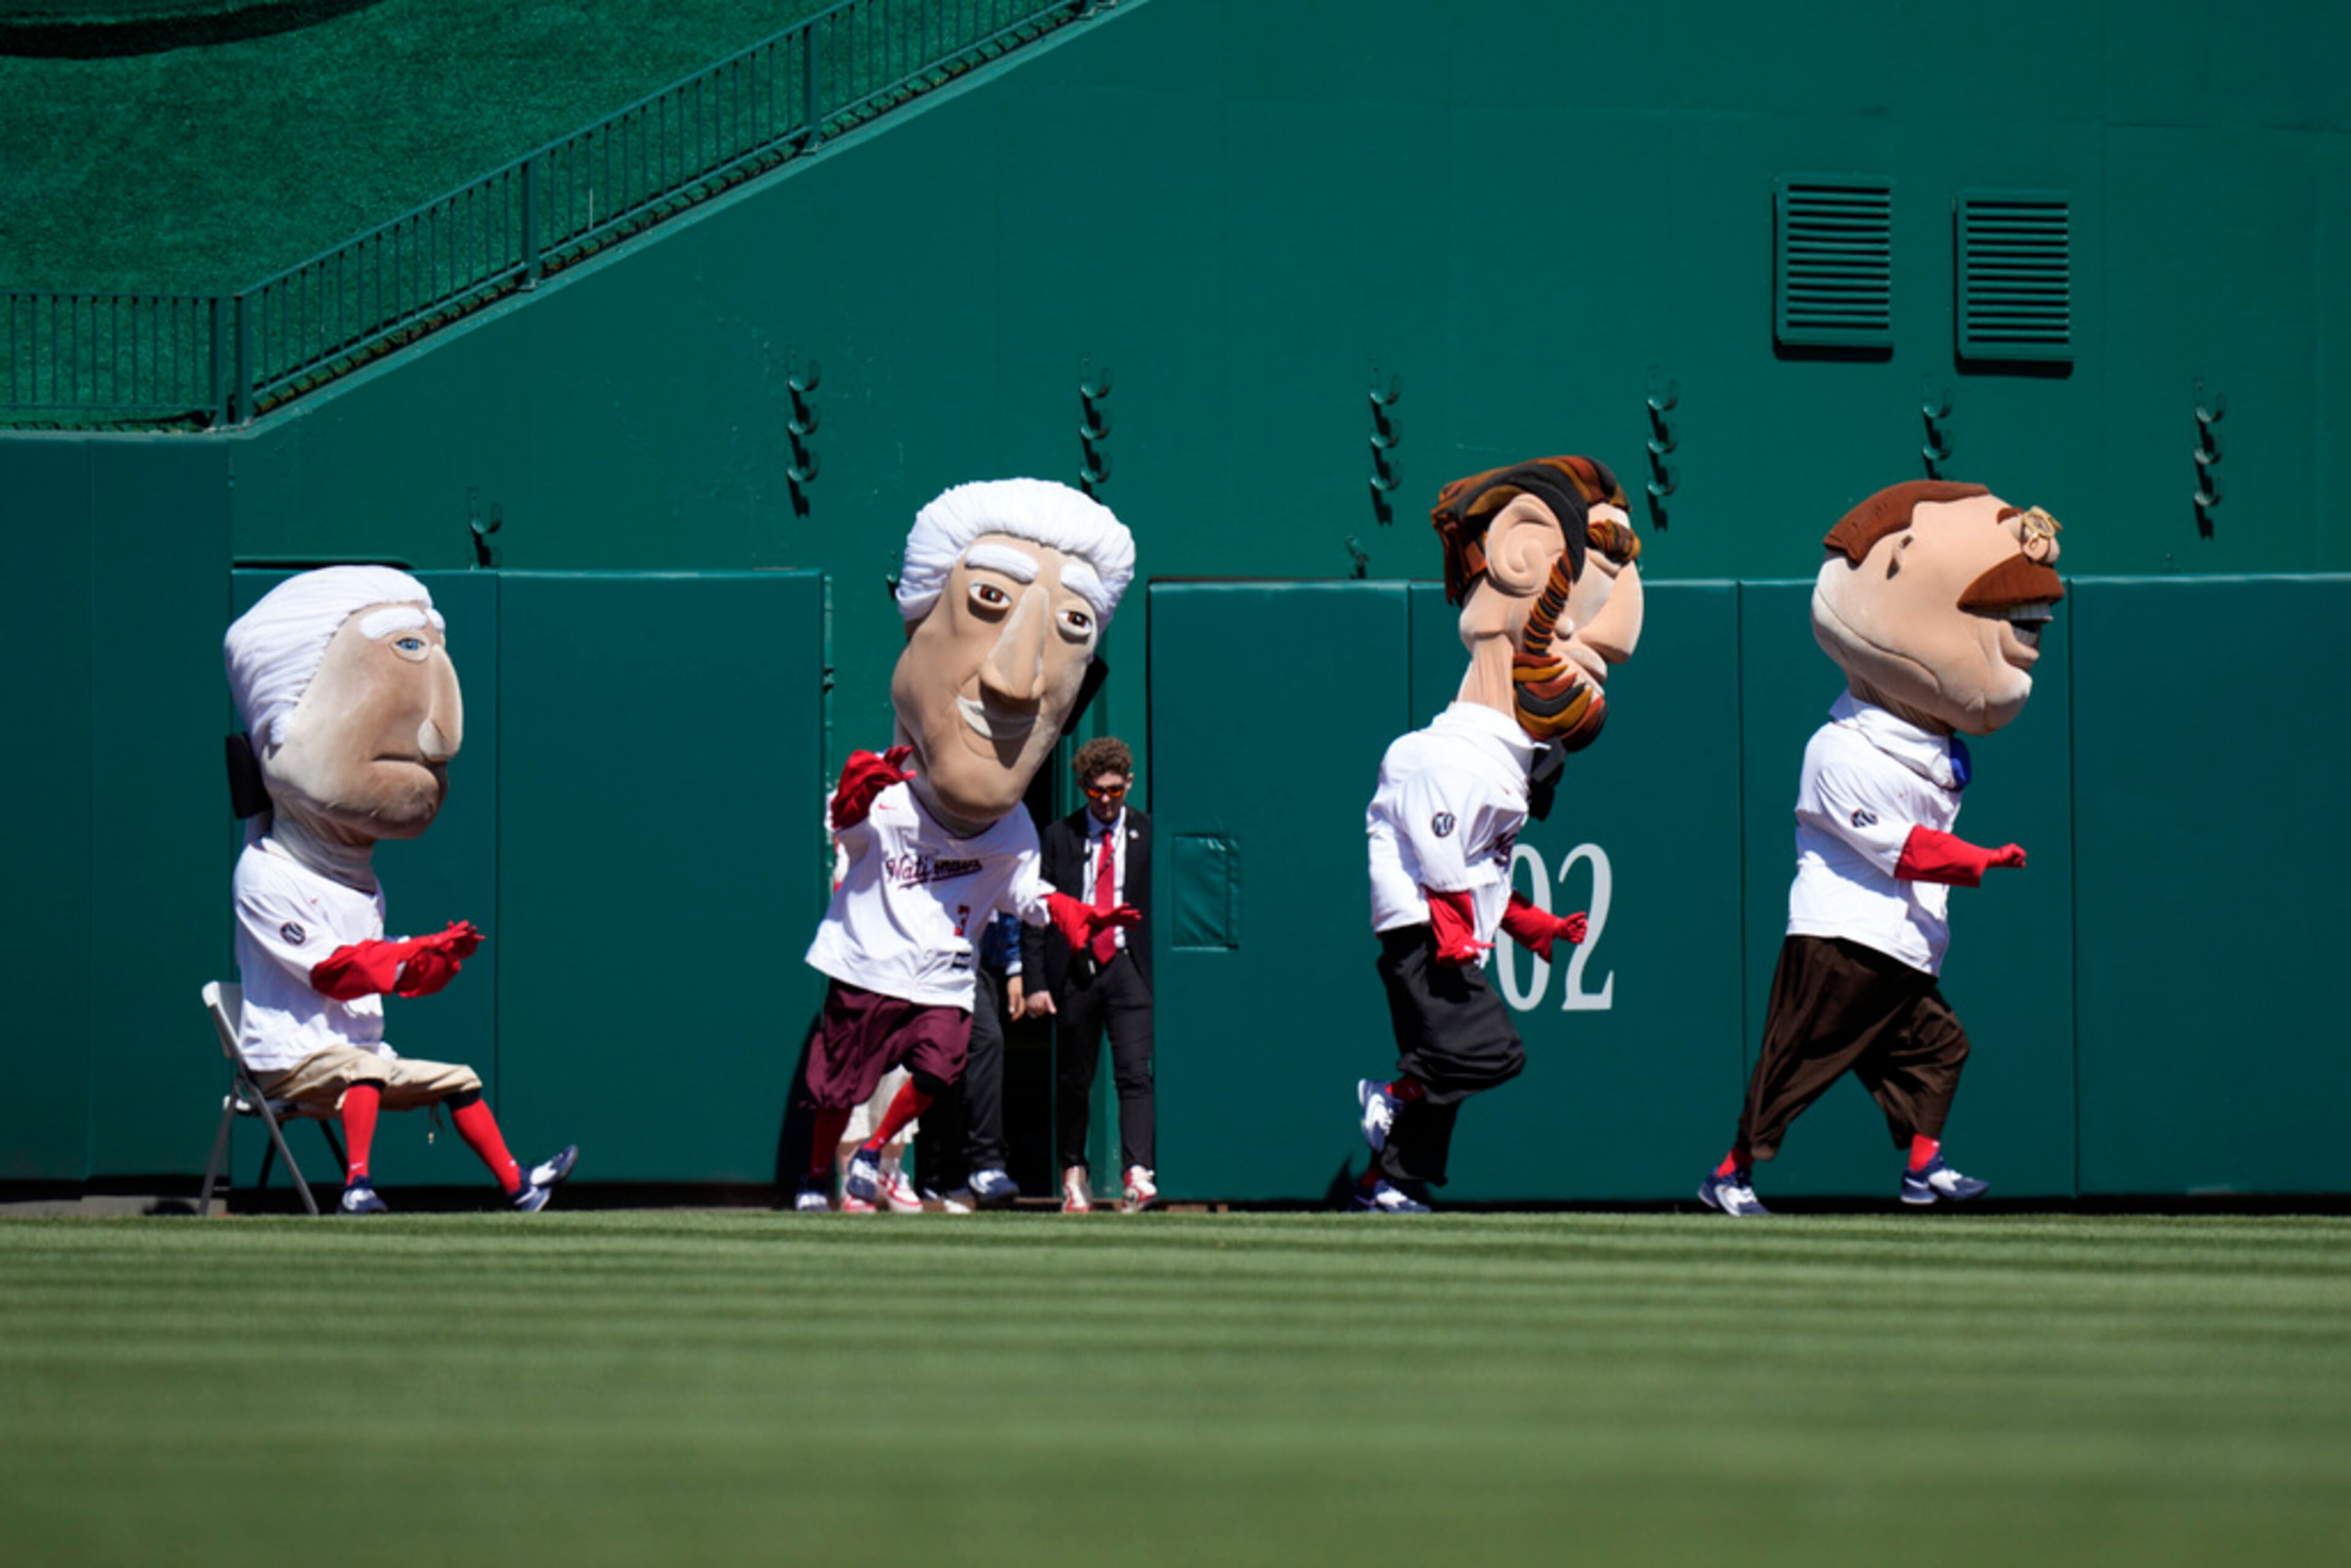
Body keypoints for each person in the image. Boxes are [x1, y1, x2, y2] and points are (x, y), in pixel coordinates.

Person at [1698, 481, 2065, 1217]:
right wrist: (1981, 859)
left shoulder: (1932, 749)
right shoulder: (1836, 749)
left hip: (1901, 945)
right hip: (1840, 942)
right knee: (1794, 1066)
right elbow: (1902, 850)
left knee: (1941, 1046)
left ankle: (1923, 1168)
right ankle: (1729, 1175)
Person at [795, 479, 1141, 1213]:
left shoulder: (1012, 828)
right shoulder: (889, 796)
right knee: (839, 1082)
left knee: (942, 1064)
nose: (1017, 679)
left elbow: (1021, 889)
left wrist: (1074, 913)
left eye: (1072, 623)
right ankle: (816, 1176)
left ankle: (877, 1158)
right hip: (868, 960)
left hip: (939, 973)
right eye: (989, 599)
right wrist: (853, 803)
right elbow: (848, 833)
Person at [222, 567, 577, 1215]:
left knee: (460, 1077)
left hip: (356, 1051)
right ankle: (356, 1185)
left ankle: (519, 1185)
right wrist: (411, 949)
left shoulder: (359, 882)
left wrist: (436, 958)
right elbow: (335, 972)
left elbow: (383, 973)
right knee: (364, 1069)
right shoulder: (264, 871)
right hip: (289, 1060)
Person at [1351, 457, 1645, 1212]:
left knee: (1451, 1073)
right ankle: (1391, 1094)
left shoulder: (1505, 765)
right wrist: (1458, 929)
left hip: (1450, 932)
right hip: (1423, 938)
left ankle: (1387, 1183)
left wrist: (1531, 921)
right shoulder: (1441, 753)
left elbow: (1481, 871)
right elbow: (1443, 855)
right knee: (1492, 1054)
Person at [1026, 737, 1155, 1213]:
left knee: (1135, 1073)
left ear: (1129, 784)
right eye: (1096, 791)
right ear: (1082, 787)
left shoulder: (1147, 832)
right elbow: (1038, 909)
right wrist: (1036, 981)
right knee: (1075, 1078)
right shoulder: (1059, 836)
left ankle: (1137, 1172)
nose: (1105, 800)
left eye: (1115, 790)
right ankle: (1074, 1173)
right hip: (1077, 967)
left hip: (1128, 964)